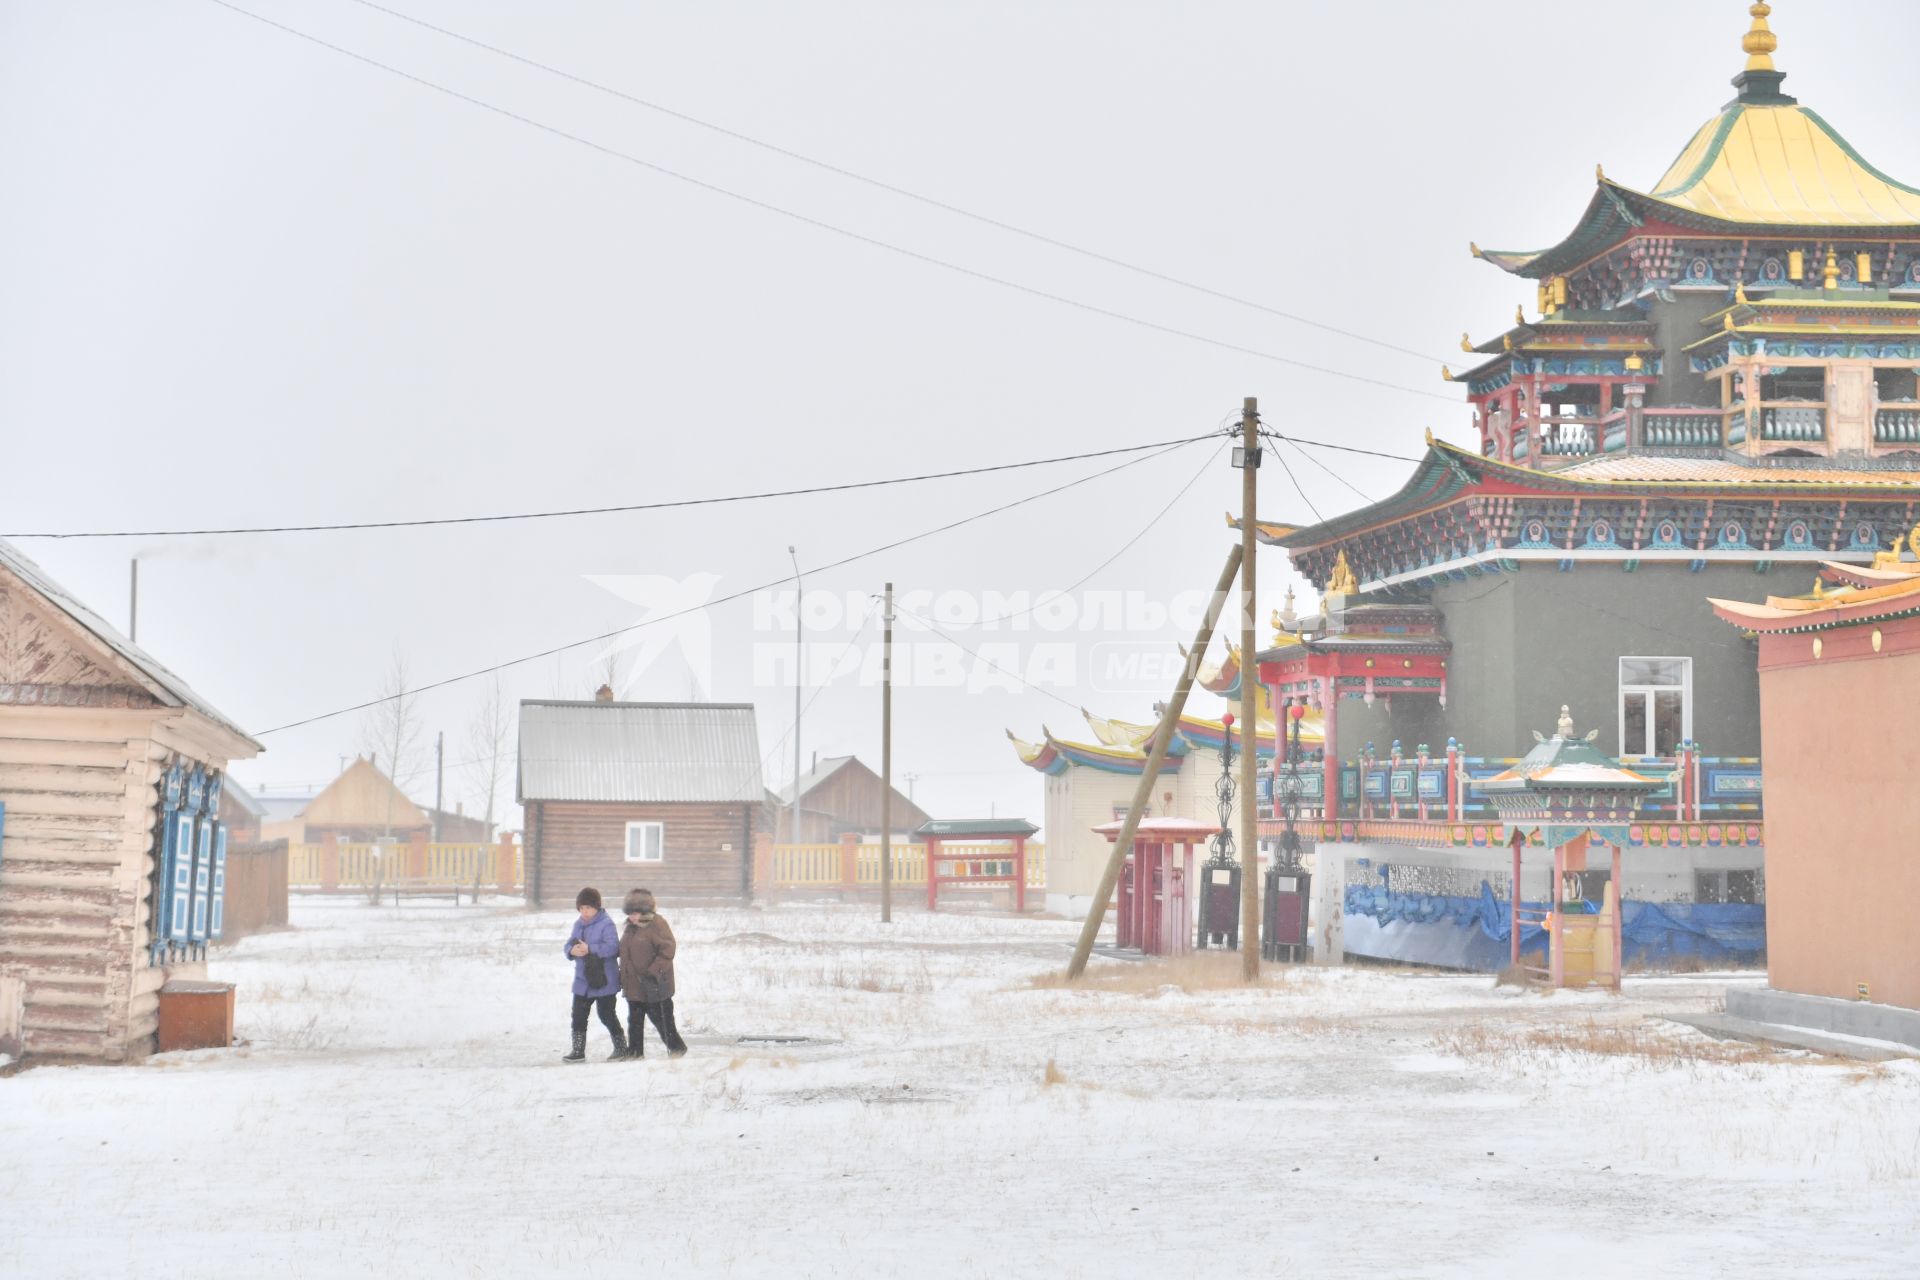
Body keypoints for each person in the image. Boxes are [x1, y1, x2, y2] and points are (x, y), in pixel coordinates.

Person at [618, 888, 687, 1058]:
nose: (632, 917)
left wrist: (654, 972)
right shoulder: (630, 928)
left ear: (645, 911)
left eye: (635, 913)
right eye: (630, 913)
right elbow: (624, 951)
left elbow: (668, 949)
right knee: (634, 1020)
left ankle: (677, 1047)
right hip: (634, 984)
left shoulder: (657, 924)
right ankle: (635, 1052)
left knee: (661, 1019)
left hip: (654, 983)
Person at [563, 887, 627, 1063]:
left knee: (606, 1015)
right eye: (582, 908)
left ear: (597, 907)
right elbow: (569, 944)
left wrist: (590, 948)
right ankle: (578, 1051)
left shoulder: (606, 924)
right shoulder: (578, 924)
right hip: (583, 980)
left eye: (588, 908)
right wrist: (571, 950)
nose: (585, 911)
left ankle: (621, 1048)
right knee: (578, 1015)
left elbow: (614, 948)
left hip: (604, 979)